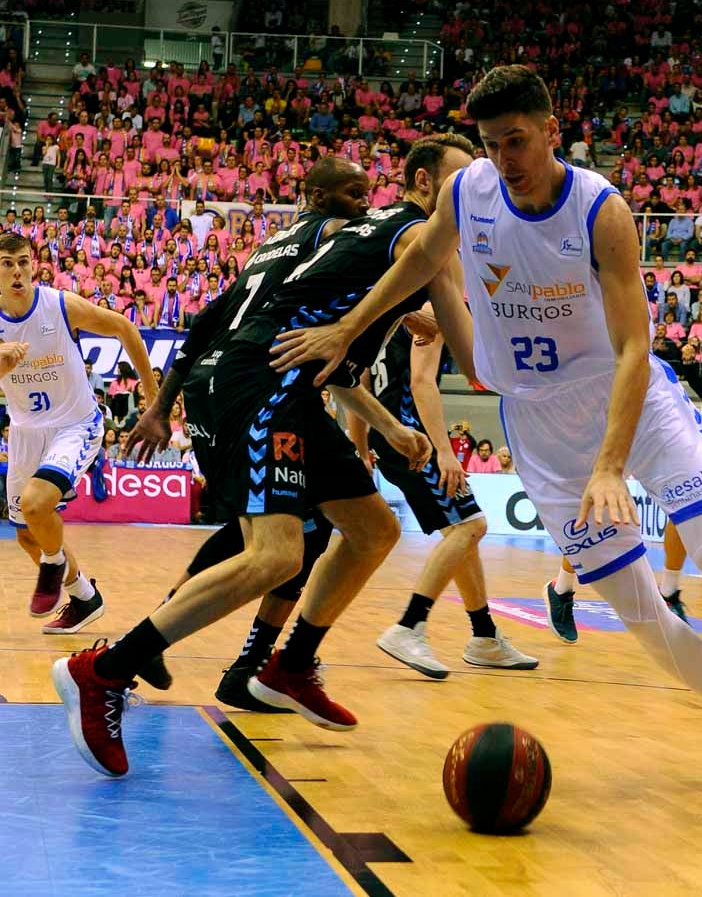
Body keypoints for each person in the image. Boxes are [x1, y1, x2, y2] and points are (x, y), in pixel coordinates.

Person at [267, 66, 702, 790]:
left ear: (552, 131)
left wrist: (610, 464)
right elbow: (423, 257)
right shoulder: (468, 191)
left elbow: (634, 347)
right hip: (538, 425)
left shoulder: (600, 211)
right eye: (490, 144)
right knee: (641, 614)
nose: (504, 159)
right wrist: (349, 325)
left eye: (516, 140)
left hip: (625, 396)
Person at [52, 138, 474, 776]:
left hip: (284, 383)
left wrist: (383, 392)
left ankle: (290, 666)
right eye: (464, 181)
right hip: (258, 378)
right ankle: (104, 670)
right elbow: (471, 358)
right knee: (277, 551)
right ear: (422, 183)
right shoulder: (412, 232)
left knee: (371, 529)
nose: (478, 193)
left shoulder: (365, 236)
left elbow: (322, 332)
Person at [121, 155, 379, 705]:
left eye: (368, 193)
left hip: (218, 383)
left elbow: (208, 320)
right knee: (281, 540)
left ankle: (238, 660)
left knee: (274, 530)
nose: (365, 203)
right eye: (354, 192)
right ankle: (174, 654)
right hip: (251, 386)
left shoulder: (269, 248)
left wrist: (161, 406)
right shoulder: (337, 235)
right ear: (316, 196)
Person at [350, 316, 537, 678]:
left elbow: (361, 381)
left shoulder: (387, 313)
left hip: (384, 435)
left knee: (462, 530)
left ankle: (484, 636)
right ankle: (409, 626)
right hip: (413, 439)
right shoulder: (429, 310)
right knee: (471, 527)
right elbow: (422, 384)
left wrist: (361, 447)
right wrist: (444, 451)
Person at [0, 233, 158, 635]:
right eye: (6, 263)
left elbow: (125, 328)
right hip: (24, 432)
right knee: (28, 537)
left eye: (22, 261)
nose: (17, 271)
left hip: (76, 424)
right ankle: (85, 597)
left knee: (37, 505)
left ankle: (54, 565)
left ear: (33, 264)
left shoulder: (59, 305)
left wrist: (153, 400)